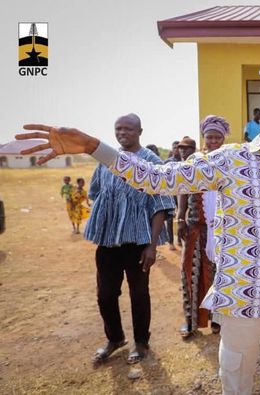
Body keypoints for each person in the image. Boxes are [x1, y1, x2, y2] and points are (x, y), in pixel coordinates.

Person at [17, 90, 260, 394]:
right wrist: (94, 147)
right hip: (243, 301)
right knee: (236, 382)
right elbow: (157, 178)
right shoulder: (230, 160)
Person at [60, 114, 176, 364]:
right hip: (108, 242)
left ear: (140, 131)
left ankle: (141, 342)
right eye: (118, 128)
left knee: (138, 294)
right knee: (105, 294)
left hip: (138, 244)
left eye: (128, 129)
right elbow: (96, 193)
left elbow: (161, 206)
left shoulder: (151, 162)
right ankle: (115, 338)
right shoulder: (106, 160)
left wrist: (152, 246)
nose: (122, 133)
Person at [177, 116, 229, 338]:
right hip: (196, 228)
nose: (214, 141)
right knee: (190, 271)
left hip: (223, 230)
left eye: (218, 137)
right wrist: (180, 217)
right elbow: (182, 187)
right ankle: (190, 321)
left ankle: (218, 320)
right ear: (203, 138)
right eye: (210, 137)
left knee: (220, 275)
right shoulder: (195, 160)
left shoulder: (229, 160)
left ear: (223, 138)